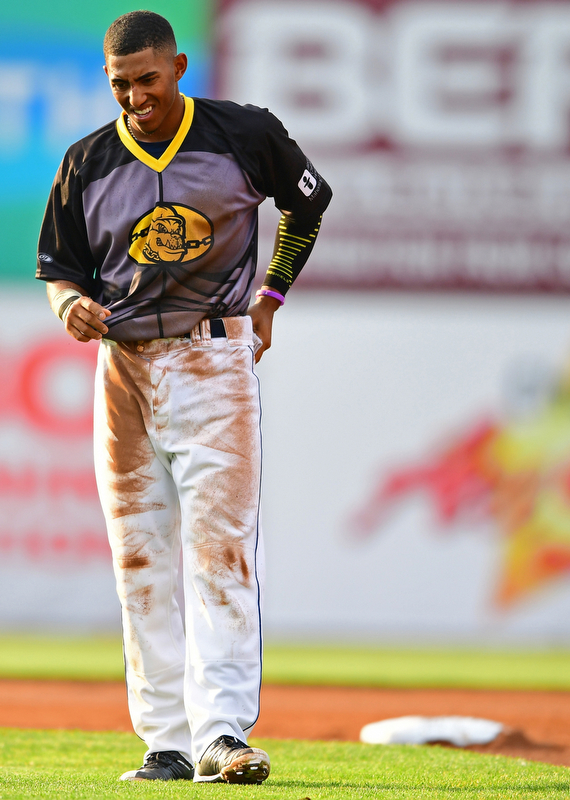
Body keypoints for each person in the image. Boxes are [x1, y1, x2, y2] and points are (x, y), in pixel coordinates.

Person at [36, 9, 331, 785]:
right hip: (124, 369)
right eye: (119, 84)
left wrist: (271, 295)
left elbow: (309, 202)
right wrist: (69, 306)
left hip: (213, 361)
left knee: (218, 550)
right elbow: (59, 267)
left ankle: (222, 733)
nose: (135, 97)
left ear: (178, 67)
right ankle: (165, 742)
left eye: (147, 79)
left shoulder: (243, 133)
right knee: (138, 558)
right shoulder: (87, 161)